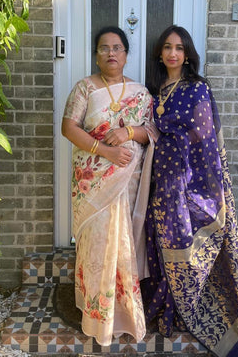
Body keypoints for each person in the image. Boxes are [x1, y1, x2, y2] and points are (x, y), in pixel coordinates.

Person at [144, 25, 238, 356]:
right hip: (158, 182)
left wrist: (161, 140)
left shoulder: (197, 89)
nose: (173, 53)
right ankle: (165, 306)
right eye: (167, 47)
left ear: (187, 54)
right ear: (160, 54)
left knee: (181, 245)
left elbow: (201, 140)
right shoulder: (154, 90)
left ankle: (187, 306)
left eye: (179, 48)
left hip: (187, 183)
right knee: (159, 244)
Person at [61, 26, 157, 346]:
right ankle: (95, 313)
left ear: (126, 54)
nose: (111, 53)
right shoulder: (84, 88)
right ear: (96, 55)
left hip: (124, 184)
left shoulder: (141, 93)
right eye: (104, 48)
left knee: (123, 246)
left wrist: (128, 133)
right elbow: (68, 128)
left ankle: (124, 315)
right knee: (96, 245)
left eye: (117, 48)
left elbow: (151, 132)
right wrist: (106, 151)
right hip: (93, 184)